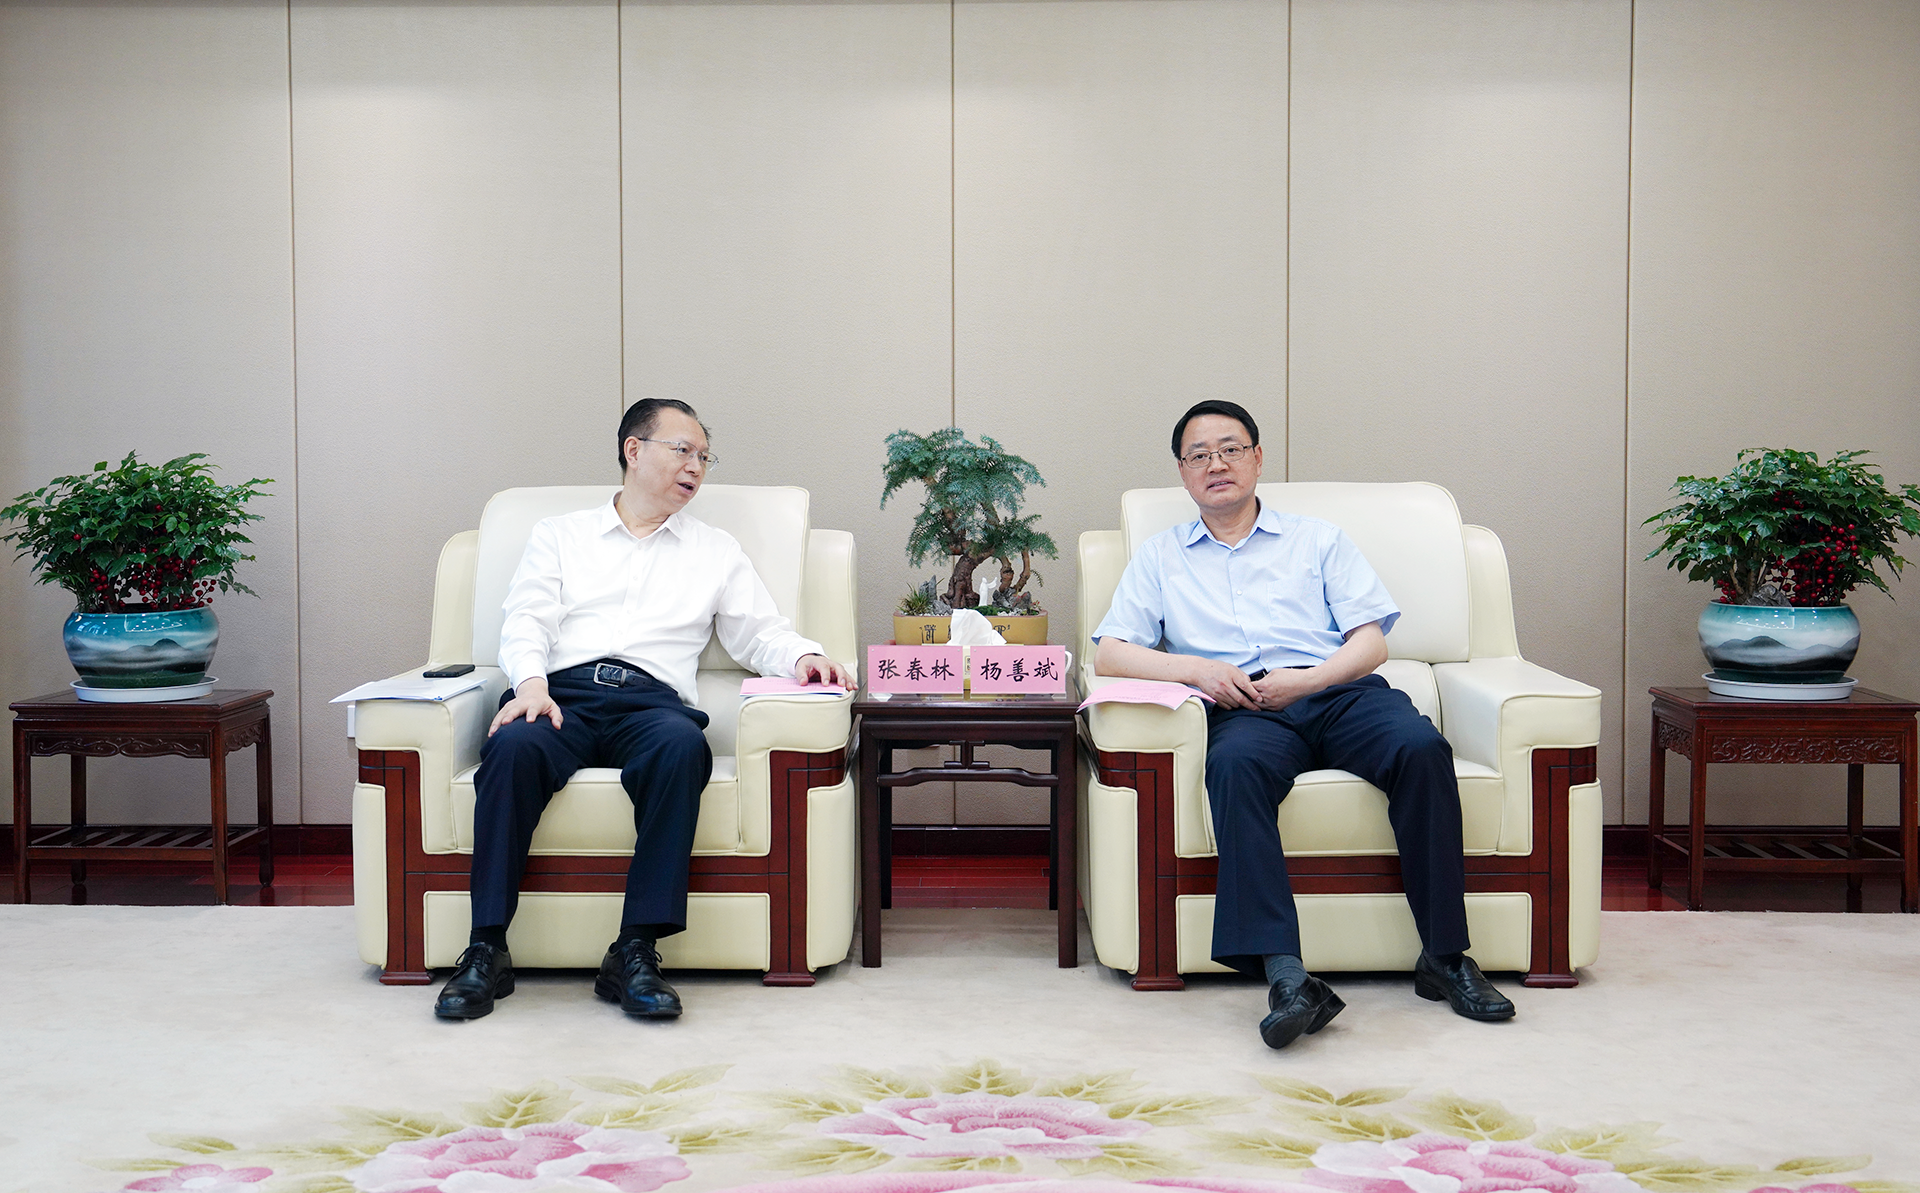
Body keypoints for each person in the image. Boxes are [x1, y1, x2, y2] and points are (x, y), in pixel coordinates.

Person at [1092, 399, 1514, 1049]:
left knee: (1421, 747)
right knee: (1232, 767)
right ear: (1182, 473)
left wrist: (1310, 680)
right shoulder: (1160, 556)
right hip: (1245, 706)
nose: (1216, 464)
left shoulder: (1317, 539)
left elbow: (1371, 641)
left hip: (1337, 692)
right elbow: (1111, 653)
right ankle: (1289, 978)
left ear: (1258, 458)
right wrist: (1197, 670)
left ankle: (1446, 957)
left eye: (1230, 449)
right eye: (1199, 455)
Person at [433, 398, 854, 1022]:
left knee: (682, 749)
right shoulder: (560, 536)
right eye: (682, 450)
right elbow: (526, 618)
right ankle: (485, 948)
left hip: (651, 703)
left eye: (704, 457)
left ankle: (634, 951)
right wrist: (529, 685)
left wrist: (804, 657)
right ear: (634, 450)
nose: (696, 467)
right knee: (513, 746)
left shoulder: (714, 550)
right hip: (560, 694)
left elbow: (759, 632)